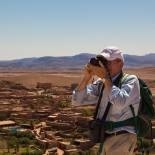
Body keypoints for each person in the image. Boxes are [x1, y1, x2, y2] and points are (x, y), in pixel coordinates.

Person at [72, 46, 141, 155]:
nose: (105, 66)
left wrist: (106, 78)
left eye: (108, 62)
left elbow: (120, 102)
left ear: (120, 63)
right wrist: (86, 78)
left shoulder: (130, 80)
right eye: (103, 62)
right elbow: (77, 101)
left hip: (122, 137)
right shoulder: (102, 83)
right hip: (105, 138)